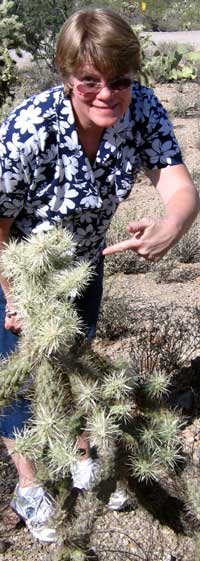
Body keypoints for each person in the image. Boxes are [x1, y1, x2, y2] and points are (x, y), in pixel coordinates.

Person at [0, 7, 199, 543]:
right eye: (89, 81)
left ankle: (84, 454)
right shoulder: (28, 129)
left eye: (120, 81)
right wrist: (17, 300)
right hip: (19, 269)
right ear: (67, 76)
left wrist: (172, 227)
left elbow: (180, 188)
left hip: (85, 266)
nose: (106, 93)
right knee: (23, 378)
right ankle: (29, 485)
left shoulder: (144, 109)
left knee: (79, 361)